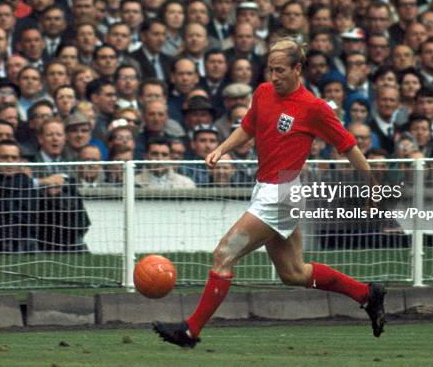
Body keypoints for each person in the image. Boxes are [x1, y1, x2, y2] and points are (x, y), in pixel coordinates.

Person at [153, 40, 386, 347]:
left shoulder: (314, 108)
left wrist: (372, 185)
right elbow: (248, 127)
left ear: (297, 69)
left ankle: (190, 331)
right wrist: (222, 148)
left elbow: (348, 147)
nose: (274, 76)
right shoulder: (263, 92)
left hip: (283, 192)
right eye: (270, 70)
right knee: (294, 273)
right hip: (267, 188)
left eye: (280, 70)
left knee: (223, 254)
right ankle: (366, 294)